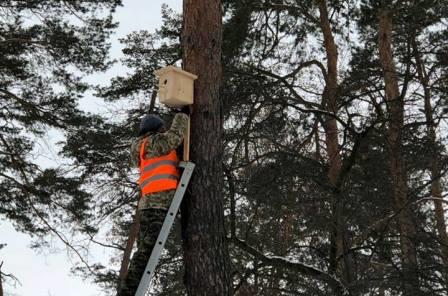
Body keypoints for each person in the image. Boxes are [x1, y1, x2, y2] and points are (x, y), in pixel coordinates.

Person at [117, 109, 189, 296]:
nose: (165, 129)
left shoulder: (142, 147)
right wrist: (183, 116)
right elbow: (173, 137)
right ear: (156, 130)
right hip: (158, 204)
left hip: (149, 205)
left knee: (144, 251)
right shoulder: (153, 143)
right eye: (162, 127)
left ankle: (130, 289)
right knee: (146, 253)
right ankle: (127, 292)